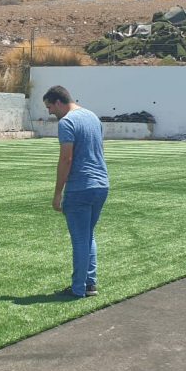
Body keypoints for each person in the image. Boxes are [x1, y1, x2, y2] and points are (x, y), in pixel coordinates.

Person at [43, 85, 109, 299]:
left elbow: (66, 158)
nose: (50, 112)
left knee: (80, 239)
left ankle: (78, 288)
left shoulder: (67, 122)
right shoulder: (92, 117)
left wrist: (57, 193)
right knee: (88, 236)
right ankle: (90, 283)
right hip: (101, 184)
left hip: (81, 187)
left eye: (50, 107)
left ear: (59, 102)